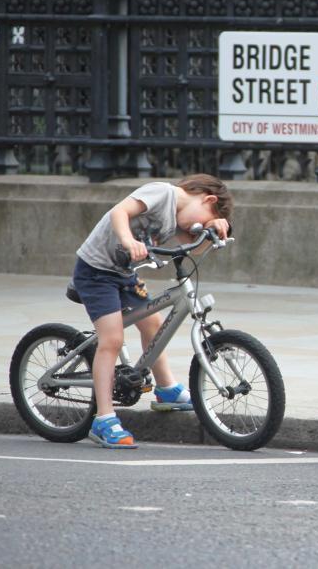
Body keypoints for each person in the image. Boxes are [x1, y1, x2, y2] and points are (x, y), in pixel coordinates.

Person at [74, 174, 232, 448]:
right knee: (111, 340)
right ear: (208, 199)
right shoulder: (163, 193)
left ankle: (167, 389)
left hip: (126, 273)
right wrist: (128, 240)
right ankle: (104, 418)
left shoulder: (179, 218)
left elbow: (192, 250)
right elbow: (119, 211)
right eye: (204, 217)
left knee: (153, 325)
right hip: (96, 272)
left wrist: (213, 228)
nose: (196, 227)